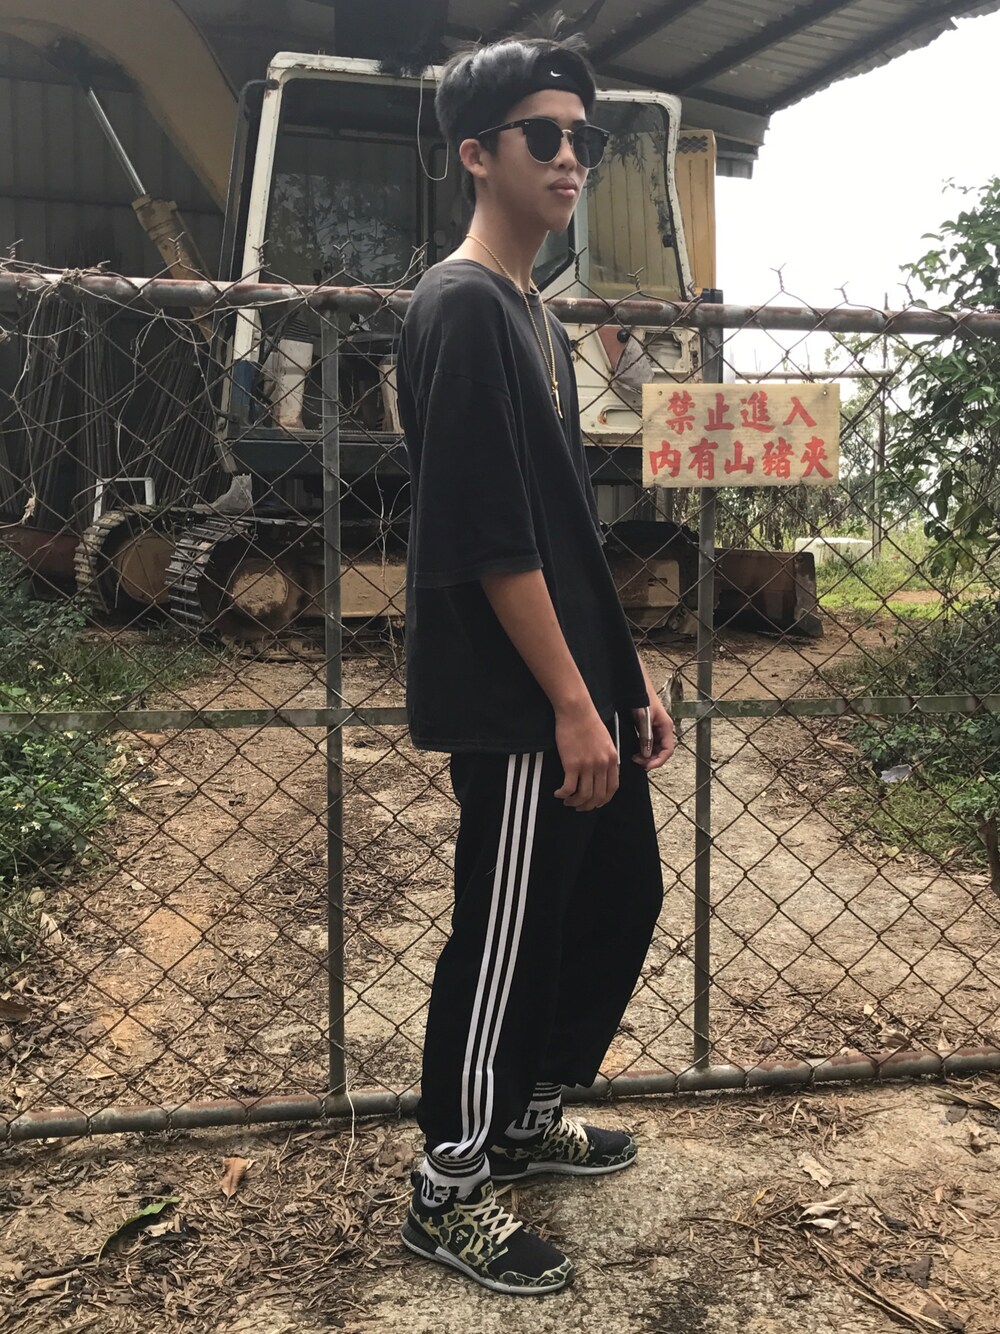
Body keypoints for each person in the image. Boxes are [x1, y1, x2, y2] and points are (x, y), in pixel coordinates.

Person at [395, 30, 675, 1296]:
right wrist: (567, 700)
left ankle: (523, 1113)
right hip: (517, 701)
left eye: (584, 138)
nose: (571, 158)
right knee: (504, 933)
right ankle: (449, 1186)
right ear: (476, 153)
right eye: (544, 136)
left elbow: (564, 530)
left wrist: (624, 677)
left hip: (571, 682)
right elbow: (489, 538)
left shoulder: (532, 315)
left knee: (614, 895)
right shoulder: (461, 305)